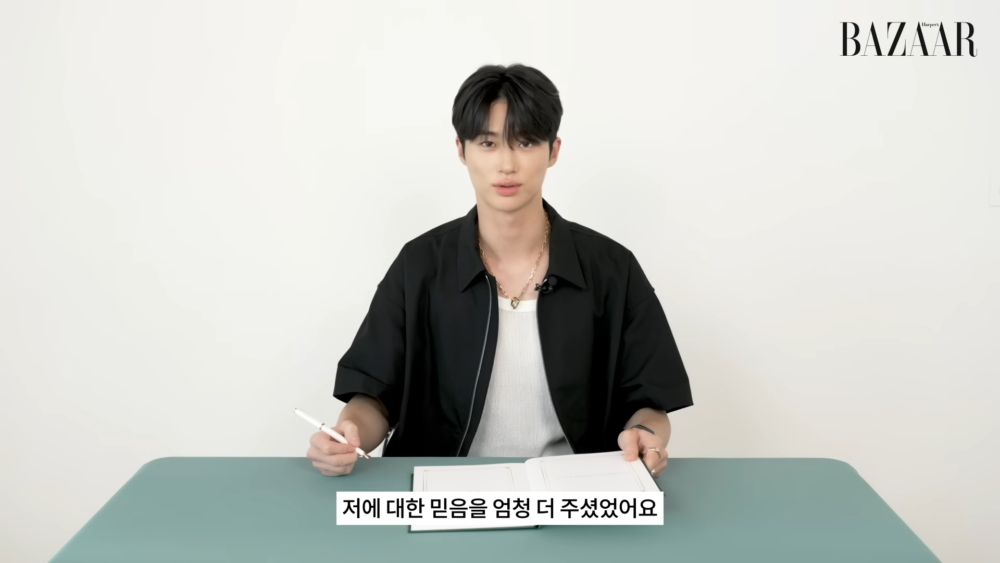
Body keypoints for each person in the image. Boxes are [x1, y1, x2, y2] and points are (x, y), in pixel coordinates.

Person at [306, 63, 693, 478]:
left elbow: (650, 404)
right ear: (461, 150)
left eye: (525, 142)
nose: (507, 164)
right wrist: (349, 433)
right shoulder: (418, 266)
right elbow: (374, 397)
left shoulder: (612, 268)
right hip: (445, 493)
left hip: (573, 491)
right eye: (488, 143)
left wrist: (645, 435)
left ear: (554, 150)